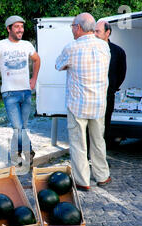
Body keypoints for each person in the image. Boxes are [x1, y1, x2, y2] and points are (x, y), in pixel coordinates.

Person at [55, 13, 111, 191]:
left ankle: (83, 181)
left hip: (77, 104)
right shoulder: (104, 46)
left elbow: (58, 65)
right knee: (98, 141)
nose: (72, 29)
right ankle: (102, 176)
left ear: (78, 28)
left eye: (72, 26)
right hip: (98, 102)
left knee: (79, 144)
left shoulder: (71, 47)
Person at [0, 15, 41, 167]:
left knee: (22, 127)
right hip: (9, 94)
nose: (20, 30)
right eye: (17, 27)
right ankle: (28, 152)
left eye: (22, 27)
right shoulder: (1, 45)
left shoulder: (27, 45)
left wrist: (34, 79)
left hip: (25, 92)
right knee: (18, 127)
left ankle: (17, 153)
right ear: (9, 29)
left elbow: (37, 60)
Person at [95, 20, 127, 148]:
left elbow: (121, 73)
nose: (95, 34)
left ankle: (102, 156)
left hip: (108, 95)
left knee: (105, 125)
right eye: (94, 31)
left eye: (98, 31)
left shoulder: (118, 51)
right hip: (91, 95)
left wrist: (111, 88)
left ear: (107, 33)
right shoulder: (91, 49)